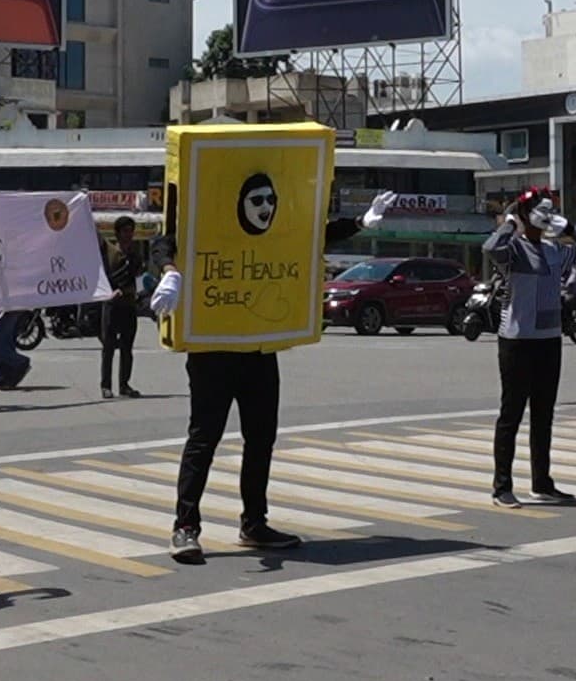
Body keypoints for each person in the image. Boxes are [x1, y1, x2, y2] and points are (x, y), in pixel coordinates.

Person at [152, 190, 396, 563]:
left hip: (258, 347)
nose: (266, 208)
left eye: (270, 199)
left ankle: (254, 524)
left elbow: (314, 237)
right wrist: (169, 272)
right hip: (212, 349)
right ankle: (185, 527)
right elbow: (163, 243)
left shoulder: (273, 233)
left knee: (261, 438)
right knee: (204, 439)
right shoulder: (206, 223)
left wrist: (361, 222)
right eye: (256, 200)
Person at [485, 190, 576, 508]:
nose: (545, 213)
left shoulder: (553, 250)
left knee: (543, 415)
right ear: (525, 213)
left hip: (549, 340)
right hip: (517, 339)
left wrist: (570, 229)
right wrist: (511, 221)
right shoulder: (513, 250)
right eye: (537, 208)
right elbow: (490, 247)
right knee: (511, 414)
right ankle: (502, 487)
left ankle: (542, 482)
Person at [98, 216, 146, 400]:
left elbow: (139, 276)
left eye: (131, 231)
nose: (129, 235)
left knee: (127, 347)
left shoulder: (135, 254)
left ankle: (124, 385)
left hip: (128, 305)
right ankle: (106, 386)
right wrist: (110, 290)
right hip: (111, 305)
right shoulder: (109, 250)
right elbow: (102, 274)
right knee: (108, 347)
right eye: (125, 231)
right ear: (117, 233)